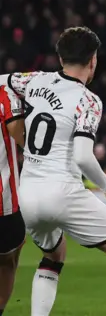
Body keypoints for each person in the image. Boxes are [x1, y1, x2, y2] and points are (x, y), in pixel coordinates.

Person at [0, 26, 106, 316]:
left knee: (54, 255)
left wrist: (15, 118)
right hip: (63, 192)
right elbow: (83, 157)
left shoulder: (34, 81)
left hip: (28, 196)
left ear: (60, 57)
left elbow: (3, 82)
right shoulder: (88, 100)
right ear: (93, 60)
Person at [0, 85, 26, 315]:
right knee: (8, 260)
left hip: (6, 202)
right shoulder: (4, 94)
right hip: (4, 203)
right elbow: (24, 139)